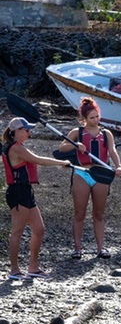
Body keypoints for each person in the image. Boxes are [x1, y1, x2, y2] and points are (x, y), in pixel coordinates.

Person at [2, 117, 74, 280]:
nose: (29, 132)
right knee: (17, 231)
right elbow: (39, 160)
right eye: (26, 130)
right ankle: (14, 270)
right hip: (18, 192)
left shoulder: (19, 147)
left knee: (39, 229)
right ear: (17, 132)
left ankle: (33, 267)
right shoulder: (16, 149)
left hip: (26, 191)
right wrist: (61, 162)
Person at [57, 97, 121, 259]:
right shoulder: (77, 132)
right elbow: (61, 148)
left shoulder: (106, 133)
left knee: (99, 214)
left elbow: (112, 151)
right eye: (92, 118)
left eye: (97, 117)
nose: (96, 120)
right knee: (79, 213)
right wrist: (75, 145)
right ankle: (77, 249)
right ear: (84, 119)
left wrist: (119, 166)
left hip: (101, 174)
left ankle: (101, 249)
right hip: (82, 173)